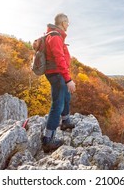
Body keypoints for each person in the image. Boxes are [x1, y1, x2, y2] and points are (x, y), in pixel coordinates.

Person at [42, 13, 76, 153]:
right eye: (67, 23)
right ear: (63, 23)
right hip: (56, 74)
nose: (68, 25)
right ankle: (48, 139)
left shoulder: (55, 35)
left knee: (66, 96)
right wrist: (68, 79)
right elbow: (59, 59)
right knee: (57, 104)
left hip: (57, 73)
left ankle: (65, 121)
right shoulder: (55, 37)